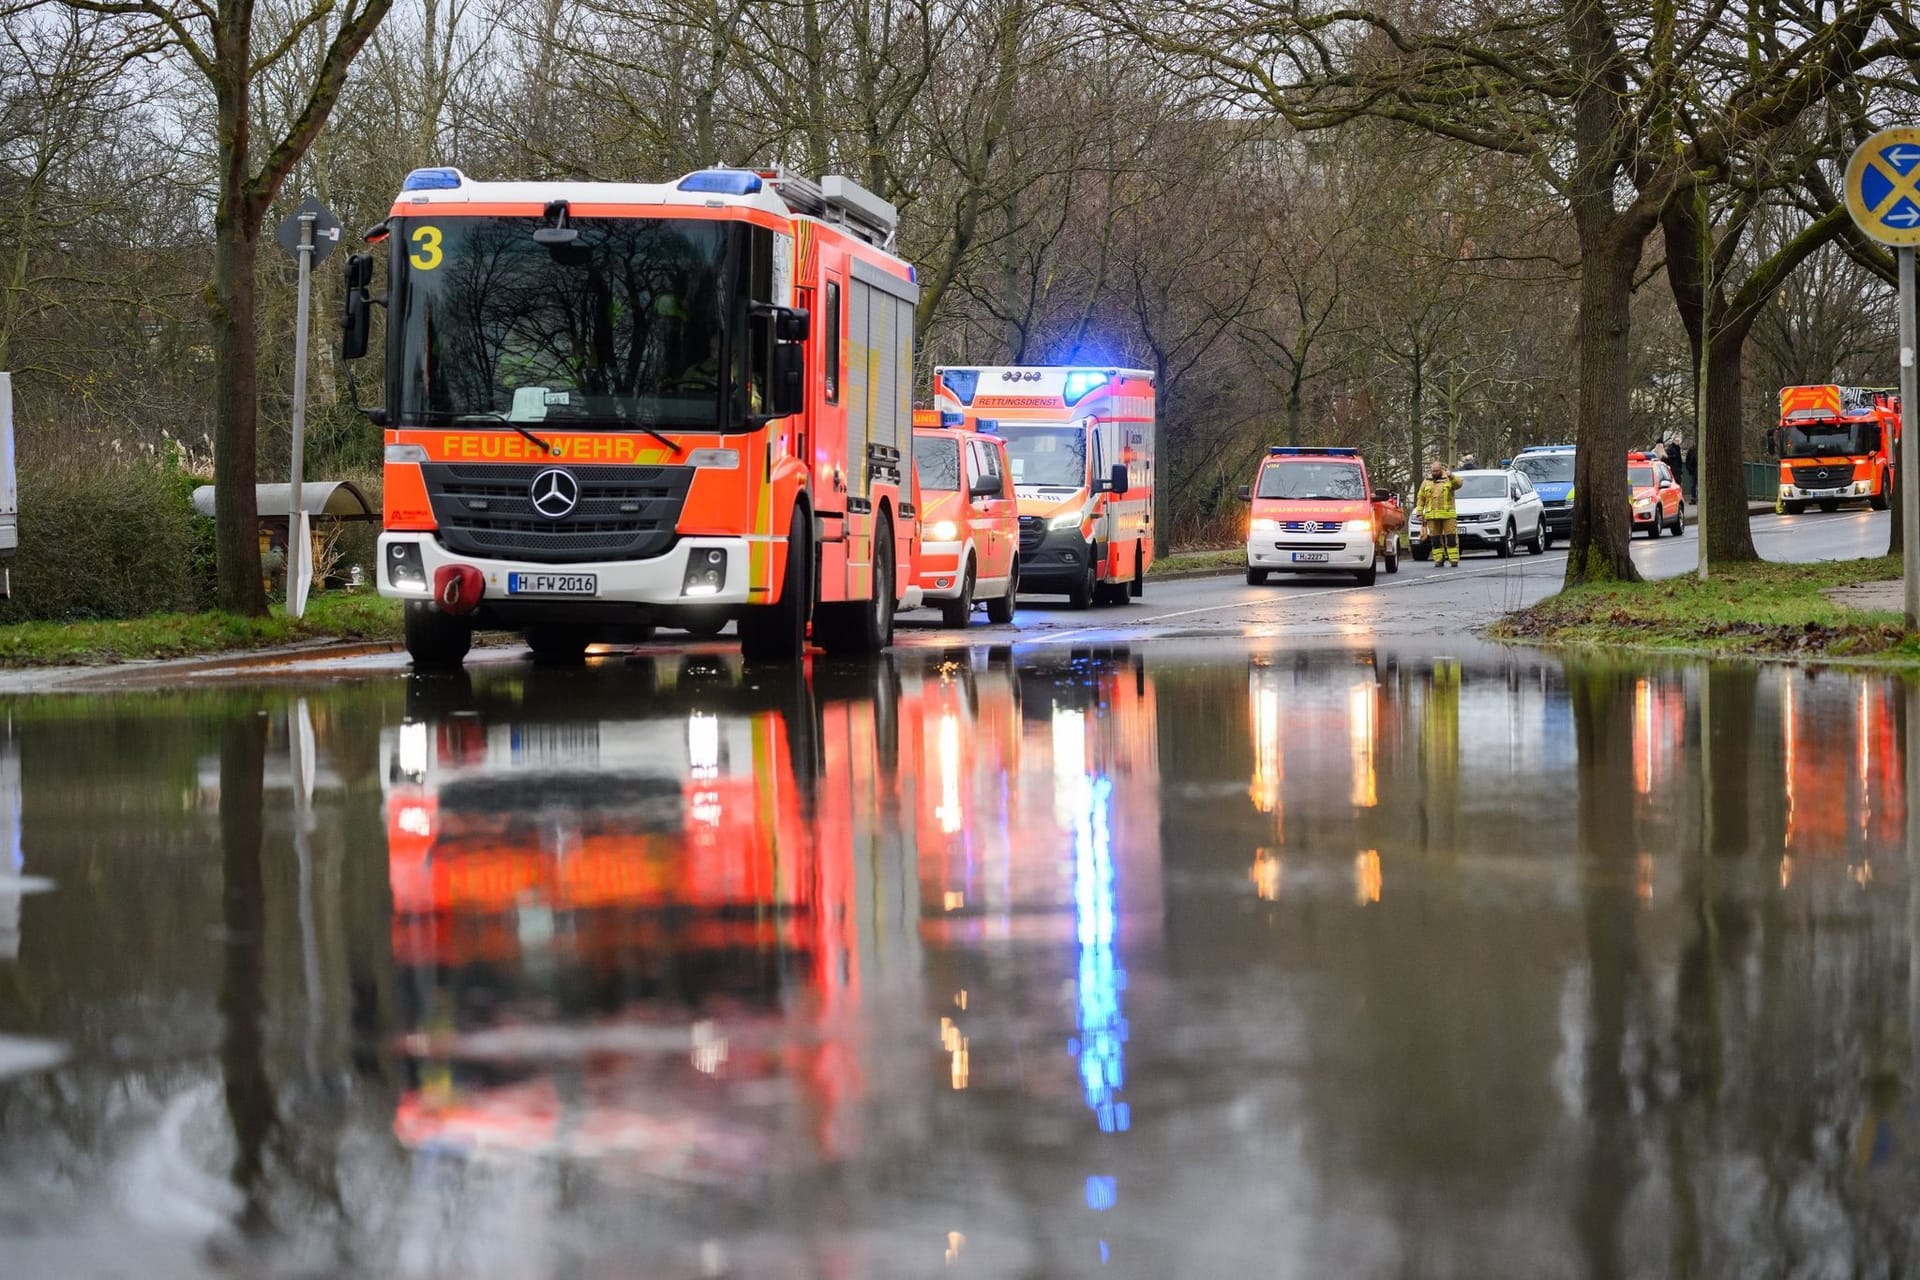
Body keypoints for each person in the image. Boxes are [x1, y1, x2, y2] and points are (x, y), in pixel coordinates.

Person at [1415, 461, 1464, 567]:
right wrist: (1419, 513)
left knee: (1451, 538)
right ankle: (1439, 559)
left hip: (1448, 515)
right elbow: (1421, 498)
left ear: (1441, 469)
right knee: (1435, 539)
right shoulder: (1426, 481)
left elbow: (1459, 484)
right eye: (1433, 471)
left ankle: (1453, 559)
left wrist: (1452, 476)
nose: (1435, 473)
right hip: (1432, 516)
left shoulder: (1448, 479)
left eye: (1437, 471)